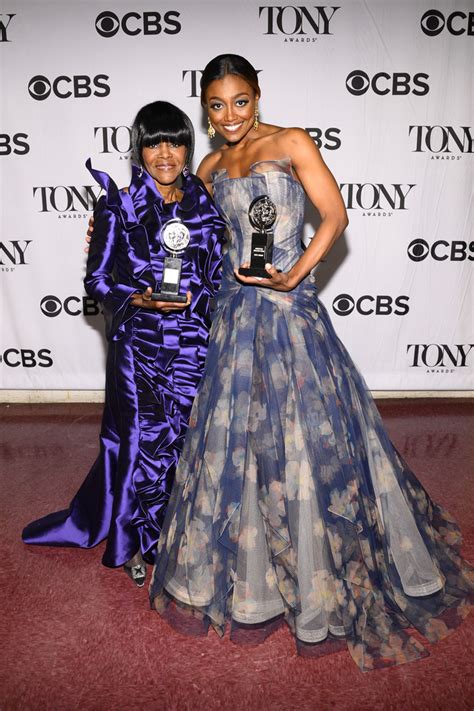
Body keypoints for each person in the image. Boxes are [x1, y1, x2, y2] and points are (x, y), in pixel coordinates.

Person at [149, 55, 473, 670]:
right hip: (234, 319)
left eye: (239, 101)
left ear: (257, 96)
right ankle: (252, 586)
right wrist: (112, 230)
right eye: (216, 106)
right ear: (206, 111)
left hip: (289, 316)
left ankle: (319, 577)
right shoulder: (211, 166)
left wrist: (294, 278)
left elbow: (336, 215)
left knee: (303, 441)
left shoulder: (292, 142)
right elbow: (181, 232)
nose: (229, 116)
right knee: (236, 448)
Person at [22, 101, 225, 587]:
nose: (165, 153)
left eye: (175, 142)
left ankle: (177, 532)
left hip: (194, 343)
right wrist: (140, 298)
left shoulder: (203, 197)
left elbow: (217, 270)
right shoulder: (118, 205)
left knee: (186, 441)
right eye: (154, 142)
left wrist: (203, 293)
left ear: (187, 147)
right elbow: (96, 280)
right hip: (140, 346)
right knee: (138, 443)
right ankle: (131, 540)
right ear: (139, 148)